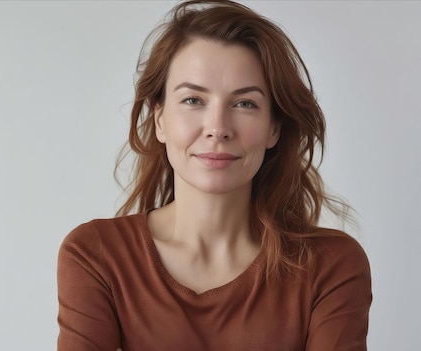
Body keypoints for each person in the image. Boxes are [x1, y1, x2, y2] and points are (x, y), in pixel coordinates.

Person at [56, 0, 372, 350]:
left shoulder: (331, 265)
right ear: (159, 120)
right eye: (193, 100)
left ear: (273, 129)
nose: (218, 128)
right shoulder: (96, 255)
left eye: (245, 103)